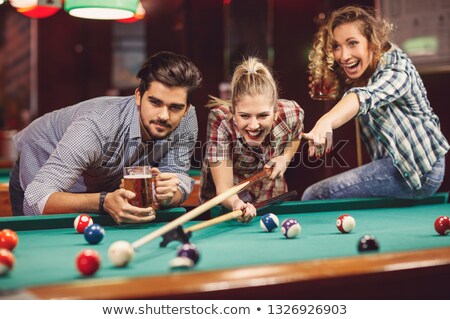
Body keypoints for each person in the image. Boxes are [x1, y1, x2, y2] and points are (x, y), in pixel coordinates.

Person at [10, 51, 202, 223]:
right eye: (155, 102)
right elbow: (36, 199)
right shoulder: (97, 125)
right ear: (138, 96)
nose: (164, 115)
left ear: (185, 108)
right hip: (40, 167)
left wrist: (169, 195)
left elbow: (177, 176)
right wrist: (103, 201)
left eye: (175, 107)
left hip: (101, 183)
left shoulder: (186, 120)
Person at [302, 5, 449, 200]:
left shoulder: (397, 66)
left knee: (315, 195)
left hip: (420, 171)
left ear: (372, 43)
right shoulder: (362, 71)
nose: (343, 56)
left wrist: (326, 121)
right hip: (396, 165)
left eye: (352, 43)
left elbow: (365, 96)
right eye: (337, 46)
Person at [200, 57, 304, 222]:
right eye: (245, 116)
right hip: (228, 204)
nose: (254, 125)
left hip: (273, 196)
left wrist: (285, 158)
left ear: (276, 112)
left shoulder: (292, 113)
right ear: (233, 112)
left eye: (263, 115)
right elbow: (224, 188)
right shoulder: (220, 120)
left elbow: (296, 135)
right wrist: (236, 204)